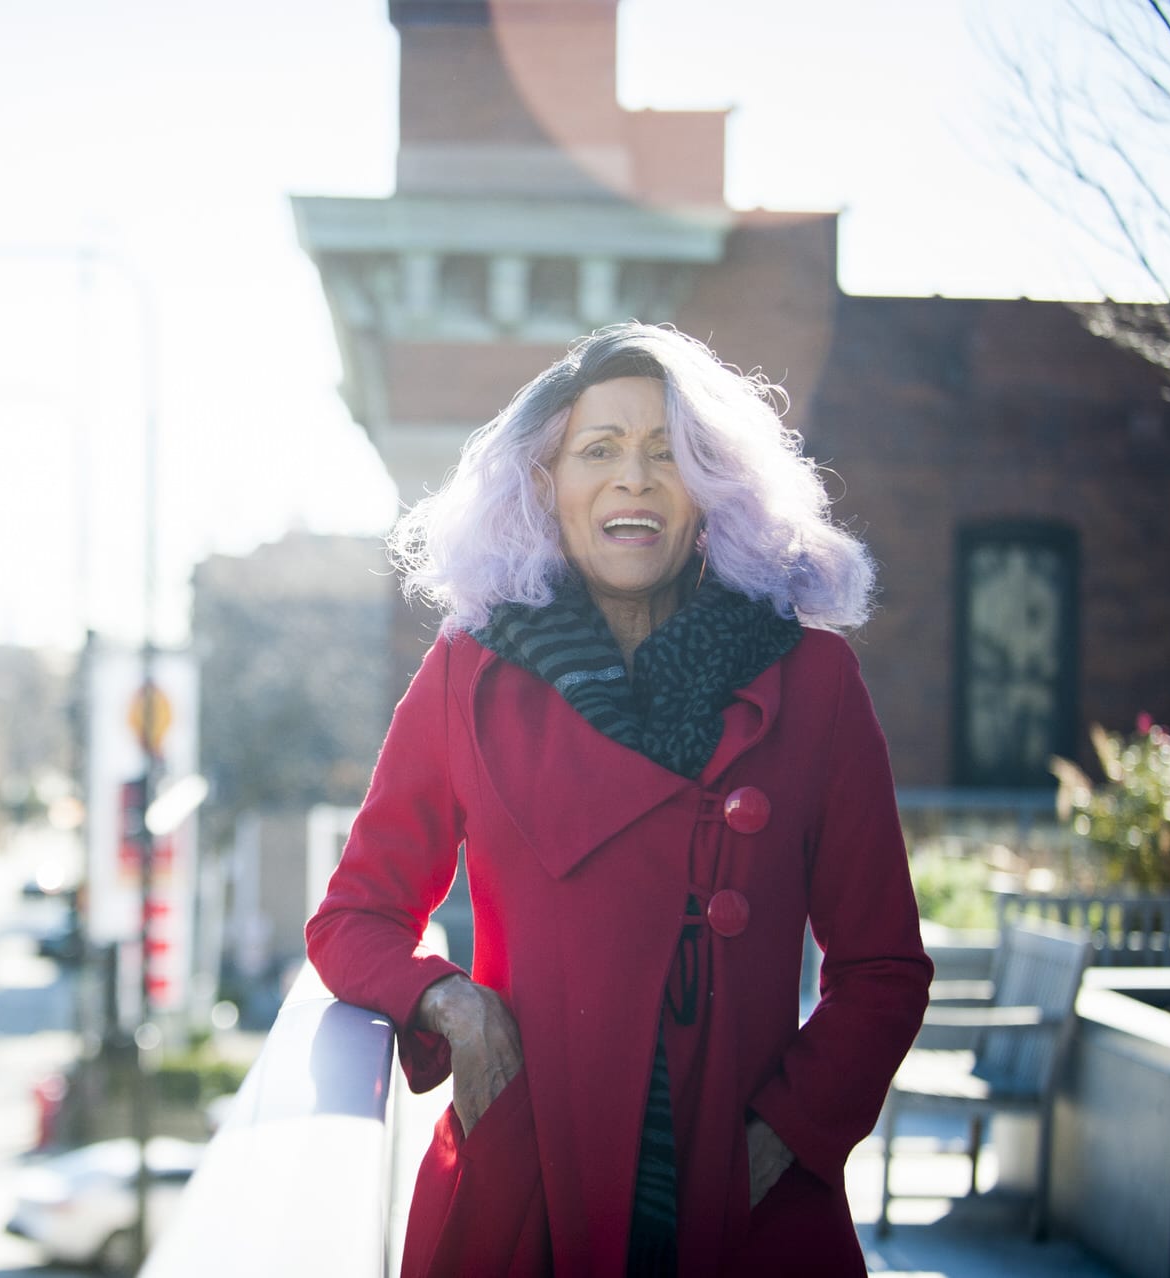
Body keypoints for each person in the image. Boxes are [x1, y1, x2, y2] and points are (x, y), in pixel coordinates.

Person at [305, 323, 933, 1277]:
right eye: (597, 450)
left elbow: (883, 968)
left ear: (713, 493)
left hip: (746, 1203)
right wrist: (452, 1006)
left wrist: (782, 1137)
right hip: (530, 1188)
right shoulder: (464, 676)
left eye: (669, 454)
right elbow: (357, 915)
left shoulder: (814, 682)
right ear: (543, 485)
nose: (634, 479)